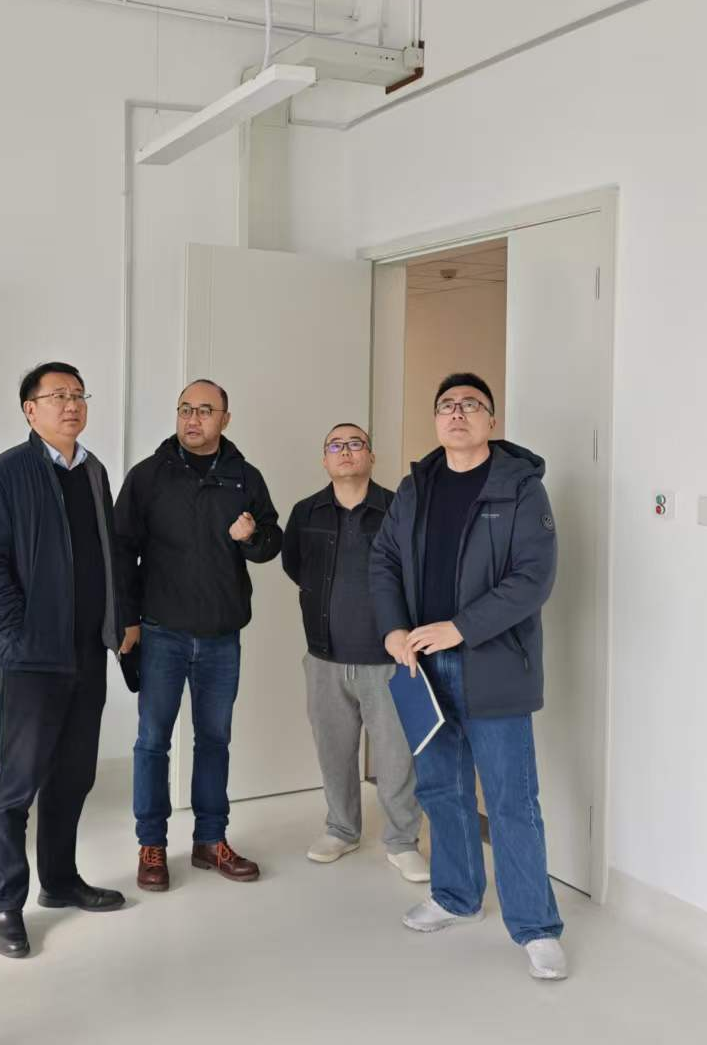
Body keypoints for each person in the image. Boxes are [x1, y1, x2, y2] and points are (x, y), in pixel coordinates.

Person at [369, 372, 569, 981]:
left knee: (511, 800)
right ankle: (456, 897)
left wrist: (460, 627)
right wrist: (394, 629)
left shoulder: (521, 488)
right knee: (441, 790)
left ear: (491, 421)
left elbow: (533, 577)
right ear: (437, 420)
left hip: (494, 665)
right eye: (447, 405)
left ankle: (535, 927)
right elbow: (384, 560)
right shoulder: (416, 488)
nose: (457, 413)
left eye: (471, 405)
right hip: (422, 668)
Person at [0, 362, 133, 960]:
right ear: (30, 409)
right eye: (57, 395)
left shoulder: (94, 472)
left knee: (74, 775)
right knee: (17, 786)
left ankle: (60, 880)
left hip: (87, 652)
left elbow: (108, 556)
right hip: (31, 659)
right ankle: (5, 904)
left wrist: (117, 621)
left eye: (78, 394)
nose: (71, 404)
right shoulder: (2, 475)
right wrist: (23, 630)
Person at [116, 378, 282, 890]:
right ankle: (152, 844)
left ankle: (211, 841)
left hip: (221, 637)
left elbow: (271, 541)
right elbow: (120, 552)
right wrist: (127, 621)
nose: (193, 418)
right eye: (185, 408)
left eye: (205, 410)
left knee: (214, 740)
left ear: (225, 420)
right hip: (161, 633)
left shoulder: (244, 477)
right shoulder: (148, 476)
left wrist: (251, 537)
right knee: (152, 742)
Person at [281, 423, 429, 883]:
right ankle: (342, 829)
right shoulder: (306, 512)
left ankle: (403, 841)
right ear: (324, 459)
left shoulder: (399, 508)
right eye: (335, 445)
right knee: (334, 752)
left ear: (371, 456)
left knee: (397, 758)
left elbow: (416, 570)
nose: (345, 451)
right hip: (324, 657)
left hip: (387, 660)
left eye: (355, 443)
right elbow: (294, 565)